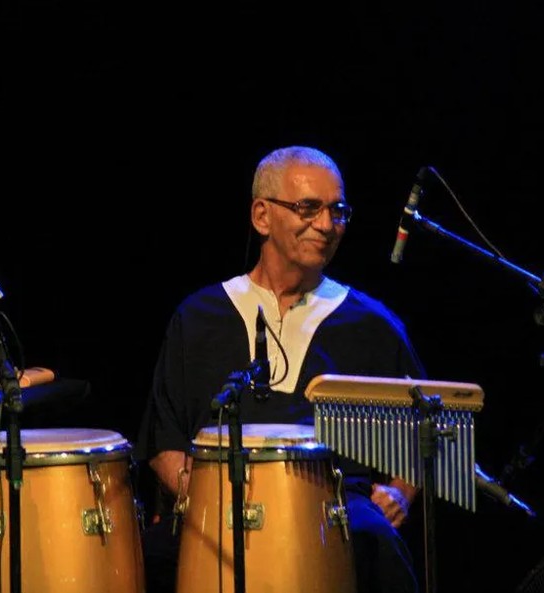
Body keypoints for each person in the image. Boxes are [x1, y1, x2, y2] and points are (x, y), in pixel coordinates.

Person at [135, 145, 427, 593]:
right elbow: (163, 437)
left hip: (335, 509)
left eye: (338, 211)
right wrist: (199, 494)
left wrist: (399, 493)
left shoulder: (371, 324)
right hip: (219, 501)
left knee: (380, 549)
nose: (326, 225)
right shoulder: (198, 317)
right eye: (308, 208)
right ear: (262, 216)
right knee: (146, 559)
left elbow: (424, 426)